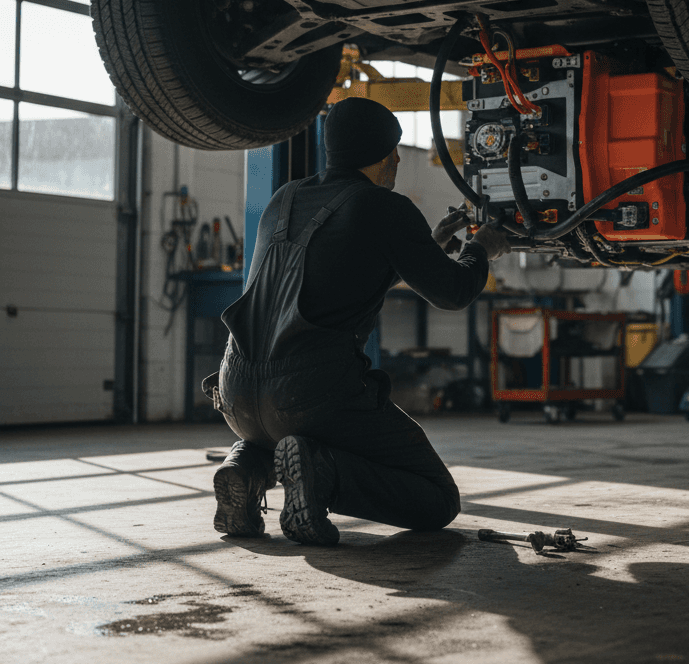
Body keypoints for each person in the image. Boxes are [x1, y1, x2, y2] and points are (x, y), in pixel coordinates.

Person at [208, 97, 510, 546]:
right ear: (386, 156)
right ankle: (320, 471)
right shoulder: (384, 206)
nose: (395, 165)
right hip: (312, 395)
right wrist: (481, 248)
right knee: (439, 499)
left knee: (283, 425)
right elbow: (454, 292)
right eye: (394, 156)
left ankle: (246, 468)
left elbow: (340, 276)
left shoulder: (284, 198)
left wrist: (430, 245)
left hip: (236, 392)